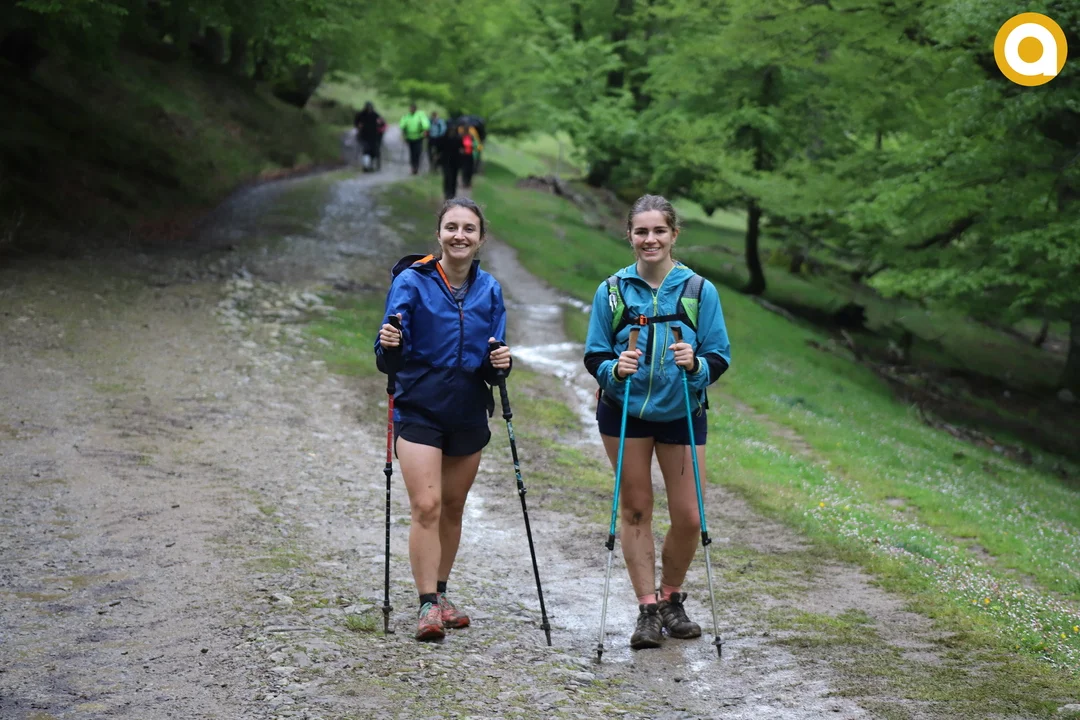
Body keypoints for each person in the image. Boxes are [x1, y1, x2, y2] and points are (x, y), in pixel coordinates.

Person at [583, 194, 731, 650]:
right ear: (629, 235)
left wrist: (696, 365)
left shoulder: (699, 290)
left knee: (690, 516)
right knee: (636, 509)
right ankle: (647, 609)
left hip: (682, 410)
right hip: (623, 411)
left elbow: (718, 354)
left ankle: (671, 598)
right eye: (641, 231)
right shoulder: (612, 291)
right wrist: (614, 370)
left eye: (659, 231)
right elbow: (594, 353)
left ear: (673, 234)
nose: (650, 239)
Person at [375, 197, 513, 642]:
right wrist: (390, 343)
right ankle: (426, 604)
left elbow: (492, 360)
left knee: (453, 507)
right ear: (439, 234)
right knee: (427, 506)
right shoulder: (412, 282)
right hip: (419, 406)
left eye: (469, 229)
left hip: (468, 410)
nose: (459, 235)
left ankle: (441, 591)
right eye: (452, 227)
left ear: (480, 238)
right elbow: (385, 355)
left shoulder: (489, 289)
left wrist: (501, 363)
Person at [400, 103, 431, 175]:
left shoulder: (420, 116)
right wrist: (404, 129)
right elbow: (402, 124)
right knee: (412, 153)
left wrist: (424, 129)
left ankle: (416, 167)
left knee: (417, 152)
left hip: (419, 137)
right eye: (410, 108)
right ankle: (413, 167)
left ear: (415, 109)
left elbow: (426, 125)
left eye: (412, 108)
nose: (411, 110)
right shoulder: (406, 116)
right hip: (409, 137)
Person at [354, 101, 385, 171]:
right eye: (368, 108)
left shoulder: (375, 115)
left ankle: (371, 165)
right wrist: (358, 126)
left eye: (370, 108)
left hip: (374, 136)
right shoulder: (361, 115)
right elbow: (356, 123)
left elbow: (382, 124)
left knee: (374, 151)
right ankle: (366, 166)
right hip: (364, 136)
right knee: (366, 150)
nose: (369, 109)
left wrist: (380, 123)